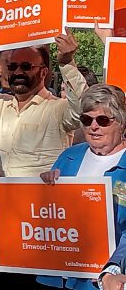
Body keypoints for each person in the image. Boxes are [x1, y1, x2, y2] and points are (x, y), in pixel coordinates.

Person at [0, 28, 88, 177]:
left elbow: (84, 108)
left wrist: (67, 63)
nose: (17, 72)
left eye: (26, 67)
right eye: (12, 67)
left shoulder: (58, 109)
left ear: (43, 72)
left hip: (39, 197)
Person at [38, 84, 126, 289]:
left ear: (121, 123)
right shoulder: (70, 156)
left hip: (102, 280)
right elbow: (45, 213)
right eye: (86, 120)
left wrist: (113, 269)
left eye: (103, 120)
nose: (93, 127)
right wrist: (43, 187)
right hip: (56, 277)